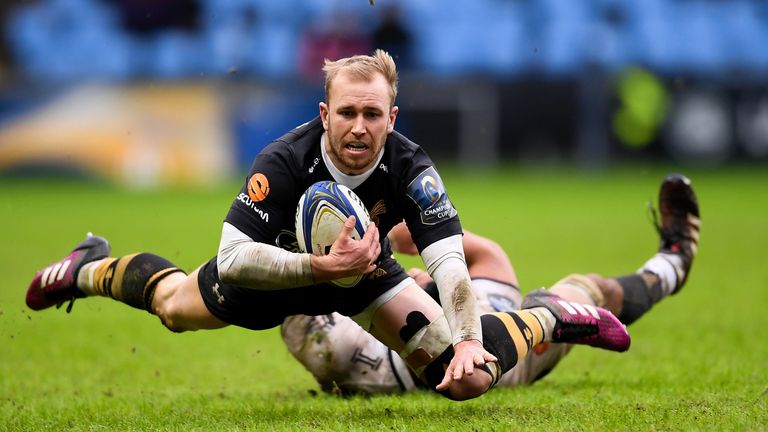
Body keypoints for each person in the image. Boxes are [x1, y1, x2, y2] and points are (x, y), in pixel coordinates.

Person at [26, 50, 631, 401]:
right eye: (347, 112)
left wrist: (471, 337)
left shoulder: (412, 169)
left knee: (465, 380)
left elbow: (450, 266)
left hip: (366, 280)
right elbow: (234, 258)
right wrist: (318, 266)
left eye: (373, 113)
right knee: (173, 309)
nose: (360, 127)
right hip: (274, 275)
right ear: (324, 114)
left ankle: (549, 316)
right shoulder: (281, 163)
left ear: (391, 116)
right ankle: (88, 268)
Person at [282, 174, 701, 394]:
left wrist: (406, 248)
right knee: (458, 366)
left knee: (592, 287)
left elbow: (487, 257)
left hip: (482, 315)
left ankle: (671, 263)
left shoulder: (370, 255)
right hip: (490, 362)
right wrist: (412, 281)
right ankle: (550, 316)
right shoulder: (324, 331)